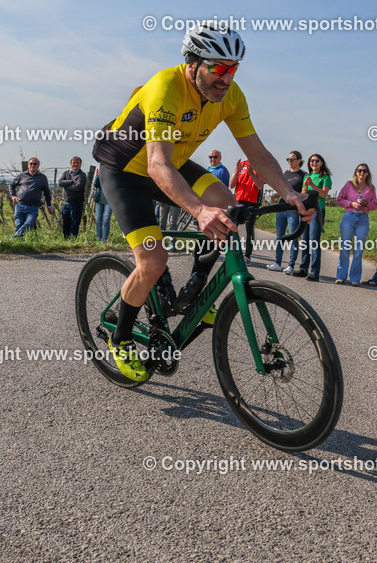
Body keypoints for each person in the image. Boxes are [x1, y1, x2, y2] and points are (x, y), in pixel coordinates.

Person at [91, 21, 312, 382]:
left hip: (172, 163)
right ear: (192, 63)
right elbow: (156, 164)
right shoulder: (165, 87)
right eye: (219, 69)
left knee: (227, 204)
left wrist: (289, 193)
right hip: (126, 169)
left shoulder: (232, 96)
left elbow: (257, 152)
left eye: (233, 69)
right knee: (153, 258)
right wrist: (197, 209)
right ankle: (121, 337)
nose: (226, 79)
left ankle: (198, 287)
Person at [335, 163, 377, 285]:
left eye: (364, 171)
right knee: (345, 248)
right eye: (359, 170)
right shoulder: (349, 185)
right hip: (349, 217)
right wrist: (352, 204)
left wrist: (366, 202)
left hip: (363, 219)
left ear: (367, 173)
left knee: (358, 250)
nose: (361, 173)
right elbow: (339, 200)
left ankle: (354, 279)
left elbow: (374, 206)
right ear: (356, 172)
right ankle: (341, 276)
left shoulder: (371, 188)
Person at [294, 154, 332, 281]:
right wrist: (305, 185)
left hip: (317, 211)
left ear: (321, 163)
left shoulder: (325, 177)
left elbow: (323, 194)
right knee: (304, 240)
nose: (314, 162)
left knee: (314, 241)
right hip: (306, 210)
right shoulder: (307, 176)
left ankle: (314, 272)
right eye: (312, 161)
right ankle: (303, 268)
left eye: (316, 161)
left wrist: (313, 186)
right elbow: (303, 194)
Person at [267, 150, 305, 273]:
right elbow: (282, 189)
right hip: (281, 208)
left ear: (299, 160)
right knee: (279, 236)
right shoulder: (285, 173)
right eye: (288, 159)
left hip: (292, 210)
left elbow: (303, 193)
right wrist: (275, 195)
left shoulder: (304, 175)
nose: (289, 161)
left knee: (293, 236)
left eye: (292, 159)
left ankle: (291, 265)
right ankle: (277, 263)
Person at [231, 158, 264, 261]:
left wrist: (251, 173)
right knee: (232, 228)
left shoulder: (261, 165)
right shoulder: (241, 164)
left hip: (252, 203)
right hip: (238, 201)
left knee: (249, 229)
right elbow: (231, 185)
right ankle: (233, 253)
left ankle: (247, 255)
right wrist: (237, 171)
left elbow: (260, 186)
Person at [9, 158, 51, 238]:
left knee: (29, 223)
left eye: (35, 164)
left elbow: (47, 193)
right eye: (31, 163)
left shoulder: (42, 177)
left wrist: (49, 205)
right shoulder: (22, 175)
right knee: (19, 225)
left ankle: (13, 239)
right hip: (20, 205)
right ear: (28, 165)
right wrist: (13, 195)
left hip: (33, 207)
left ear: (38, 166)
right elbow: (11, 185)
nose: (32, 165)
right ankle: (19, 246)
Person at [58, 156, 87, 239]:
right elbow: (60, 183)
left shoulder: (82, 175)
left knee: (75, 223)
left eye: (77, 163)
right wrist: (71, 182)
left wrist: (66, 186)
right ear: (71, 164)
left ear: (80, 165)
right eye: (74, 162)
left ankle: (74, 239)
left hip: (76, 203)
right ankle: (66, 239)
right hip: (65, 203)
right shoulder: (66, 173)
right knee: (66, 222)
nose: (75, 164)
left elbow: (78, 187)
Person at [92, 171, 112, 241]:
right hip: (99, 200)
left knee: (106, 220)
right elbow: (96, 185)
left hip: (109, 201)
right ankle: (98, 238)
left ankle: (104, 239)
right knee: (98, 220)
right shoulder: (100, 173)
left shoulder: (112, 174)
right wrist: (98, 176)